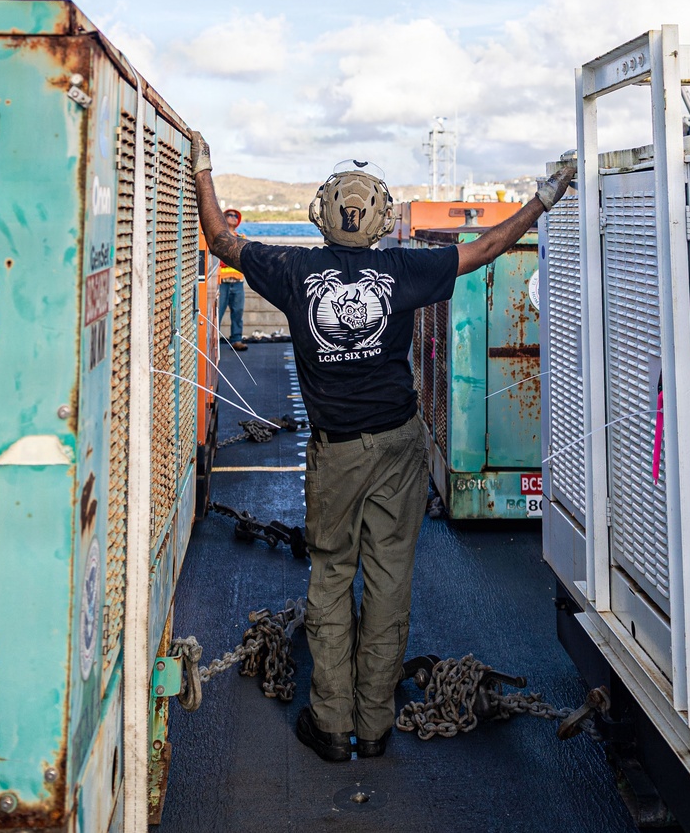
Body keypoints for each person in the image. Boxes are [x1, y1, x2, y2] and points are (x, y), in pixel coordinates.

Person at [191, 135, 576, 763]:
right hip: (399, 445)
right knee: (390, 580)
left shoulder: (294, 271)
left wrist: (204, 170)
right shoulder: (404, 270)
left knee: (332, 576)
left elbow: (221, 240)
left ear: (322, 214)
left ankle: (330, 723)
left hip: (336, 453)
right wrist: (542, 199)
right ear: (378, 217)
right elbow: (487, 248)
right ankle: (375, 728)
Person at [217, 207, 248, 351]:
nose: (233, 217)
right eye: (230, 215)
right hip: (222, 282)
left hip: (237, 282)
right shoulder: (219, 238)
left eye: (236, 216)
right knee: (218, 312)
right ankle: (212, 340)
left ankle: (236, 339)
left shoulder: (241, 238)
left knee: (238, 312)